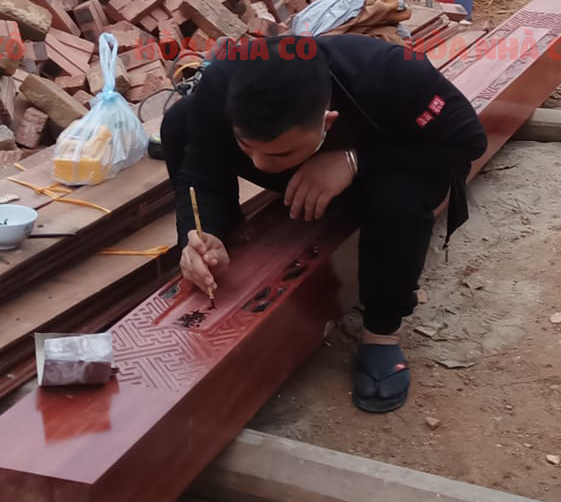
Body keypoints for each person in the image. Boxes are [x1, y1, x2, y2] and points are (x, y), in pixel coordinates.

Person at [161, 34, 487, 413]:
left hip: (383, 161)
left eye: (278, 152)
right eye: (246, 146)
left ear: (327, 120)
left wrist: (353, 161)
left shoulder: (392, 73)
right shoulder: (223, 81)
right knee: (179, 123)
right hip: (309, 162)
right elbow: (199, 169)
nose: (259, 165)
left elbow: (467, 141)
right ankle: (226, 241)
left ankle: (381, 333)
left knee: (398, 200)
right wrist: (200, 229)